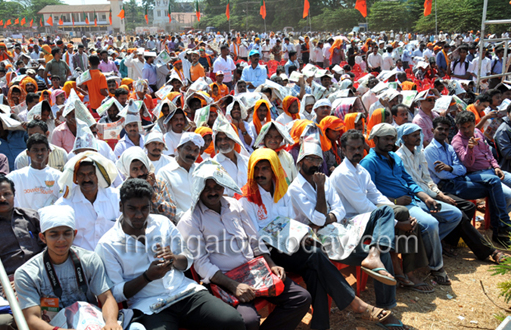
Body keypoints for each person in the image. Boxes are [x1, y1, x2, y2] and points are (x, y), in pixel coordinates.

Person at [238, 148, 408, 330]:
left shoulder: (282, 191)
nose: (260, 174)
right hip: (270, 254)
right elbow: (256, 239)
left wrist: (303, 236)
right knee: (315, 256)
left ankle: (321, 325)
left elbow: (291, 223)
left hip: (291, 244)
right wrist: (272, 264)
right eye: (256, 169)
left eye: (265, 168)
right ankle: (356, 304)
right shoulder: (247, 200)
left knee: (315, 268)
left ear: (273, 170)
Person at [95, 178, 246, 330]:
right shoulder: (108, 244)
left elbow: (187, 259)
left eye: (144, 208)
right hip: (149, 306)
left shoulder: (163, 223)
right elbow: (116, 293)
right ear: (121, 206)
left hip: (185, 293)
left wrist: (173, 259)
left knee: (233, 321)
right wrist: (147, 277)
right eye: (132, 209)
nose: (139, 215)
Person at [178, 160, 311, 330]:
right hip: (224, 280)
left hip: (255, 271)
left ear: (223, 185)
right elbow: (201, 264)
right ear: (198, 189)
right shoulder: (190, 220)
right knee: (247, 321)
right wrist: (234, 286)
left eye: (217, 186)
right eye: (207, 188)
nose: (213, 192)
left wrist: (271, 265)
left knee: (301, 298)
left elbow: (254, 240)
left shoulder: (234, 205)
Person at [360, 123, 461, 285]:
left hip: (414, 200)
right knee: (431, 223)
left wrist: (425, 197)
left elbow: (409, 181)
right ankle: (436, 267)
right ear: (376, 139)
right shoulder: (369, 162)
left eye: (392, 139)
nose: (390, 142)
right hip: (398, 206)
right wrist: (394, 201)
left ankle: (427, 248)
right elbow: (369, 194)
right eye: (386, 139)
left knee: (455, 214)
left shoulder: (393, 157)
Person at [396, 123, 502, 262]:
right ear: (404, 138)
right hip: (419, 196)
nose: (419, 137)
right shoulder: (401, 157)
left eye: (418, 134)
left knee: (468, 207)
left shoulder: (419, 152)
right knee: (460, 212)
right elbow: (415, 184)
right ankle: (488, 251)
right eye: (414, 135)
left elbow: (428, 178)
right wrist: (440, 195)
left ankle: (448, 243)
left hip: (434, 190)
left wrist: (439, 193)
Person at [15, 204, 127, 330]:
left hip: (91, 322)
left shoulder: (89, 260)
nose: (61, 240)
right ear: (42, 237)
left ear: (74, 234)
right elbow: (32, 319)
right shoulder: (27, 273)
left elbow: (107, 297)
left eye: (67, 233)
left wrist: (111, 322)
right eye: (54, 235)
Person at [0, 175, 45, 330]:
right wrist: (5, 288)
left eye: (6, 194)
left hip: (40, 278)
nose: (2, 199)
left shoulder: (32, 217)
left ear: (14, 195)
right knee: (2, 323)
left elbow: (48, 249)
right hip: (8, 287)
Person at [449, 111, 511, 244]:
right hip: (474, 174)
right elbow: (467, 165)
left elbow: (488, 153)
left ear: (473, 124)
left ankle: (499, 224)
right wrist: (470, 149)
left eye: (469, 126)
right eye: (463, 127)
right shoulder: (457, 141)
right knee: (507, 193)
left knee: (505, 181)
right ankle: (502, 224)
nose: (466, 130)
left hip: (491, 171)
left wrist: (496, 167)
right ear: (458, 127)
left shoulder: (477, 132)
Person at [55, 151, 119, 251]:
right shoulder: (64, 205)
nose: (87, 179)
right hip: (81, 260)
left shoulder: (115, 197)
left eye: (90, 174)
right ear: (76, 178)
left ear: (98, 175)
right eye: (81, 175)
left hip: (112, 256)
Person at [116, 146, 177, 222]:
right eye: (135, 169)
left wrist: (152, 194)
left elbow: (173, 214)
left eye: (143, 167)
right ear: (127, 172)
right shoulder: (120, 191)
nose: (141, 173)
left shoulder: (159, 182)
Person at [7, 133, 61, 210]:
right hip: (26, 220)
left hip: (49, 220)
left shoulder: (58, 176)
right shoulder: (16, 176)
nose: (39, 153)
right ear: (28, 153)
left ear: (48, 152)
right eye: (35, 150)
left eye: (43, 150)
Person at [157, 133, 203, 219]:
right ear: (178, 149)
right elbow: (168, 206)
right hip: (181, 223)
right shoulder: (165, 173)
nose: (192, 154)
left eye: (196, 150)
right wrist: (189, 220)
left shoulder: (201, 170)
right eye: (188, 149)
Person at [212, 118, 249, 191]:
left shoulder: (246, 161)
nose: (223, 142)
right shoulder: (214, 165)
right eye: (219, 139)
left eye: (227, 138)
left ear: (234, 139)